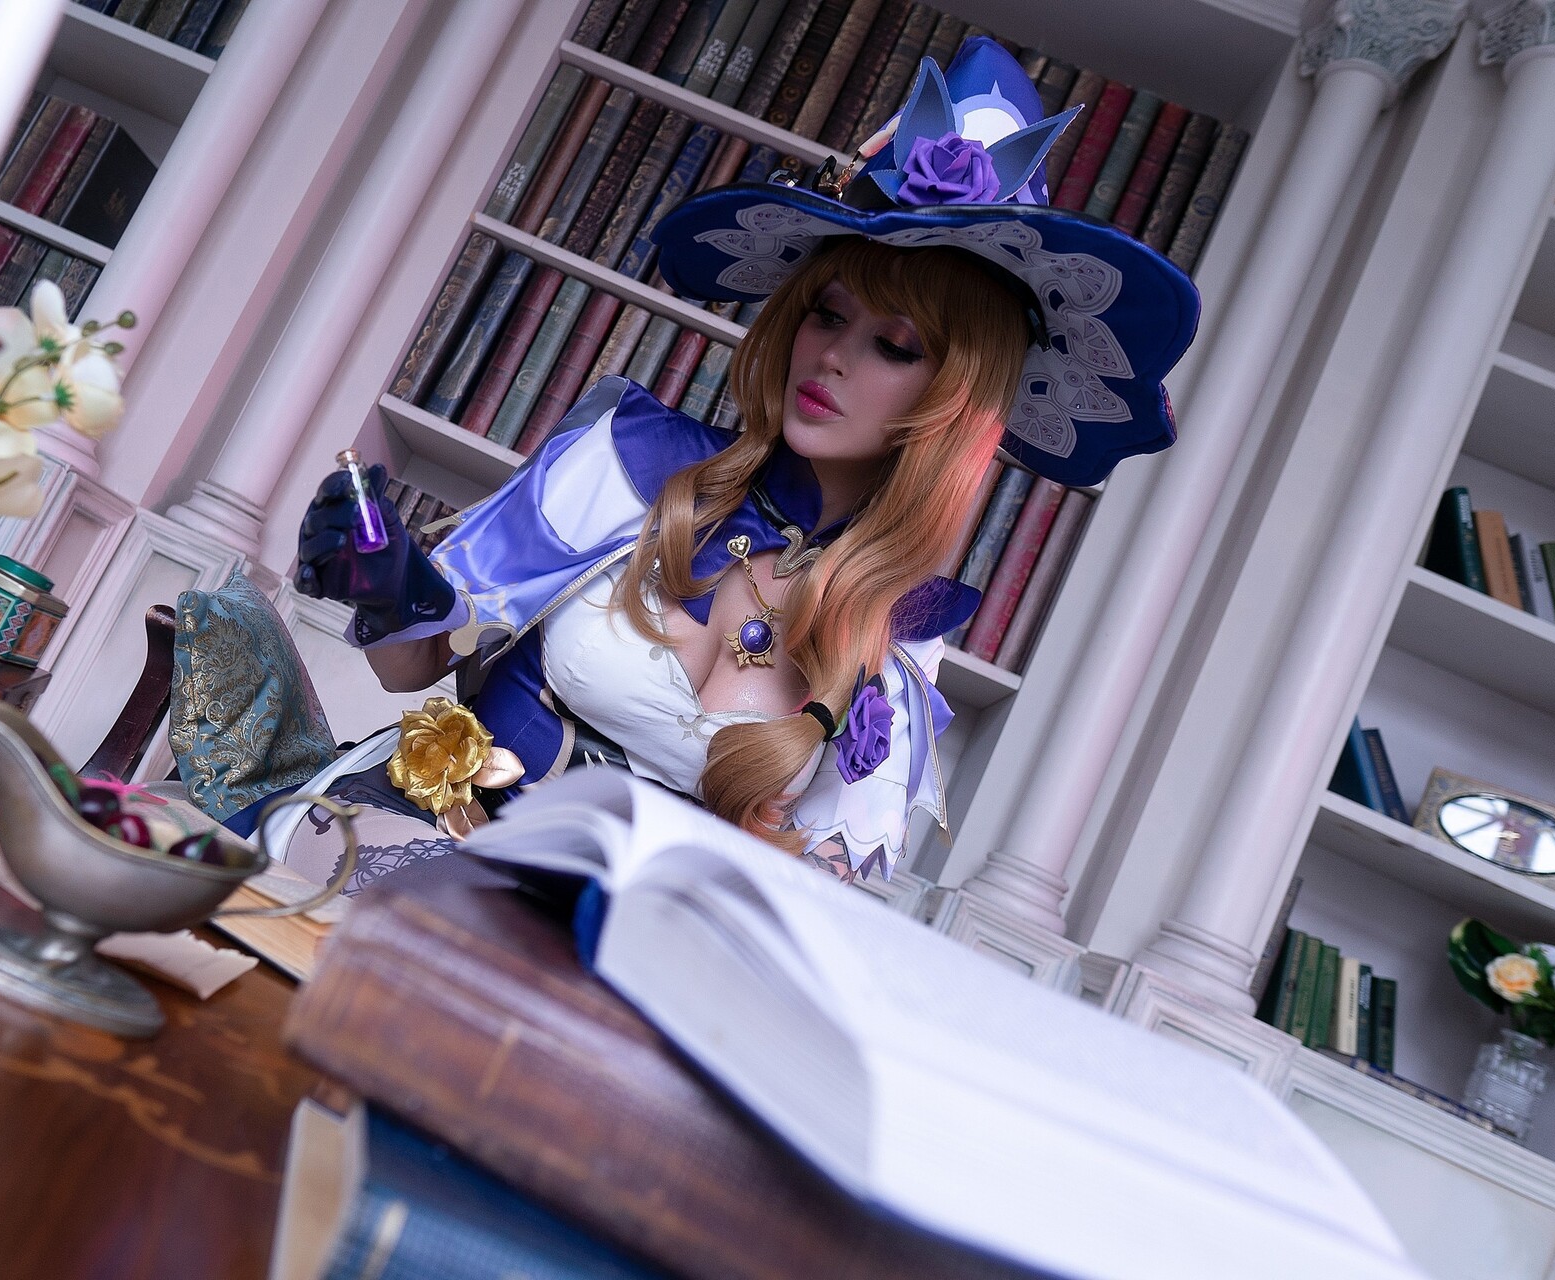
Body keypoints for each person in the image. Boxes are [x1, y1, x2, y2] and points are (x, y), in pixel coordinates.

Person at [270, 39, 1200, 891]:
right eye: (826, 315)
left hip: (616, 944)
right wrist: (384, 583)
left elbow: (816, 890)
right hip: (417, 842)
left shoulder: (905, 631)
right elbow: (412, 669)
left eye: (894, 345)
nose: (830, 358)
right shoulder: (631, 460)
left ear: (955, 398)